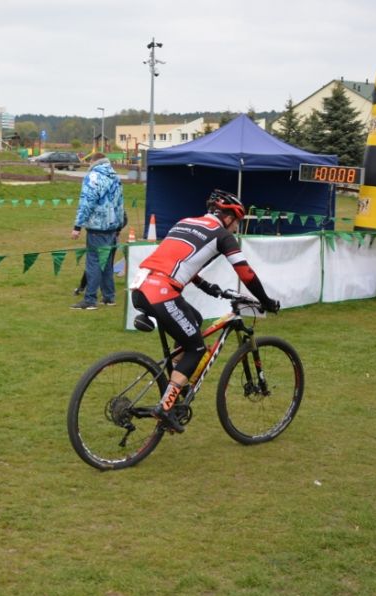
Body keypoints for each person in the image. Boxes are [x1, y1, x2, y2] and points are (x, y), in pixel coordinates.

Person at [130, 189, 280, 433]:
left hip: (141, 286)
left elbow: (176, 258)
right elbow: (245, 273)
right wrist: (266, 301)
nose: (236, 228)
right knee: (196, 348)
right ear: (228, 217)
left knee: (195, 320)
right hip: (162, 292)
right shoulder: (222, 235)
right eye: (237, 222)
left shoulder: (185, 222)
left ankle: (176, 383)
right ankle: (165, 408)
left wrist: (204, 285)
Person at [70, 152, 125, 310]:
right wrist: (119, 226)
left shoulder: (92, 177)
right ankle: (109, 297)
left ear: (94, 162)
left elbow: (86, 203)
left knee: (93, 263)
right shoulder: (116, 177)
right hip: (112, 227)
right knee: (106, 263)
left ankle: (90, 300)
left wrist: (77, 226)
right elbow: (120, 204)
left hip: (97, 227)